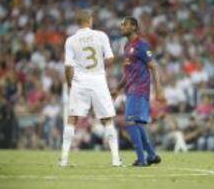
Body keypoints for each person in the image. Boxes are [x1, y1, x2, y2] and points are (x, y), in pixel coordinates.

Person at [59, 10, 121, 167]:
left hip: (80, 81)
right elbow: (110, 58)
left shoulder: (71, 40)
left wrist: (69, 83)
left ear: (77, 22)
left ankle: (64, 159)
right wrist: (100, 66)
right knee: (106, 118)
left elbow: (68, 67)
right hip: (98, 80)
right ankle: (115, 159)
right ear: (90, 20)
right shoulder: (101, 35)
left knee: (73, 117)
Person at [112, 17, 165, 166]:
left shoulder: (141, 46)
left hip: (139, 88)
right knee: (136, 124)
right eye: (121, 24)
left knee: (129, 122)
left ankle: (142, 160)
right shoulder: (127, 46)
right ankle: (152, 155)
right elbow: (128, 72)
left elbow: (154, 66)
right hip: (130, 89)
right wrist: (118, 88)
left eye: (125, 25)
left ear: (134, 27)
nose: (122, 27)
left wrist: (159, 89)